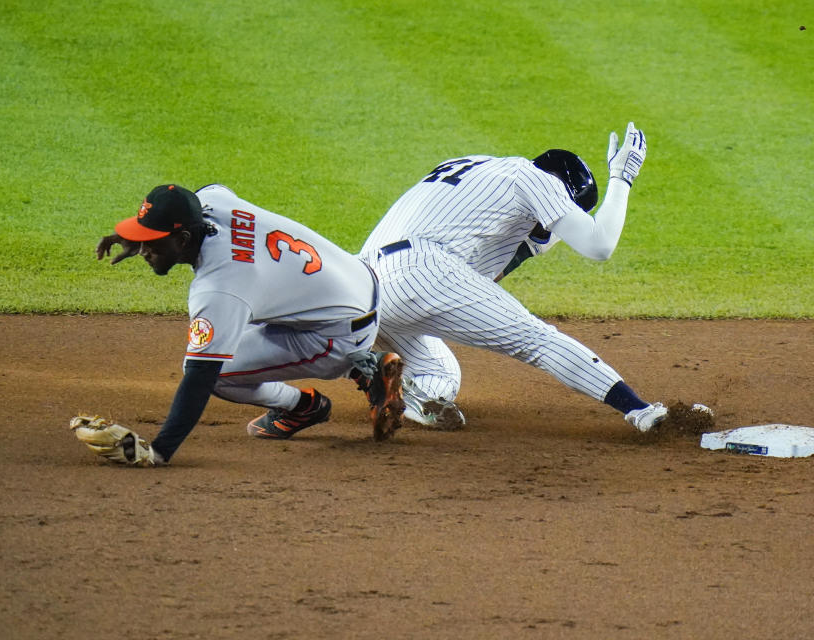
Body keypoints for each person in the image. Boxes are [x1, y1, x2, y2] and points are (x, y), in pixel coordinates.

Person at [359, 123, 709, 432]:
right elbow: (600, 245)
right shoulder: (536, 180)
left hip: (363, 285)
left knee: (442, 374)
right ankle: (639, 410)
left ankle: (389, 382)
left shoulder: (481, 168)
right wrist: (622, 179)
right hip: (421, 271)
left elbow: (486, 271)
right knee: (537, 339)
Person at [77, 183, 405, 466]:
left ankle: (307, 405)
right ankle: (367, 369)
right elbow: (211, 187)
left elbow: (200, 377)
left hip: (337, 332)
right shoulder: (212, 204)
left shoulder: (220, 287)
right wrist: (139, 234)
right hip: (356, 279)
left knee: (218, 371)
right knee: (244, 323)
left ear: (185, 237)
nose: (145, 249)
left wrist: (160, 451)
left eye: (153, 241)